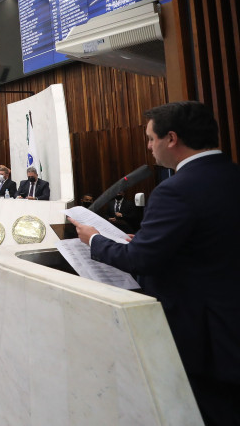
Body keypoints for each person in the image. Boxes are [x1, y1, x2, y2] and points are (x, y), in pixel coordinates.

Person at [70, 101, 240, 425]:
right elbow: (211, 243)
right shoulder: (231, 175)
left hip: (202, 337)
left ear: (171, 138)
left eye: (150, 139)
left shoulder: (175, 190)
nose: (149, 147)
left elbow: (140, 260)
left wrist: (93, 238)